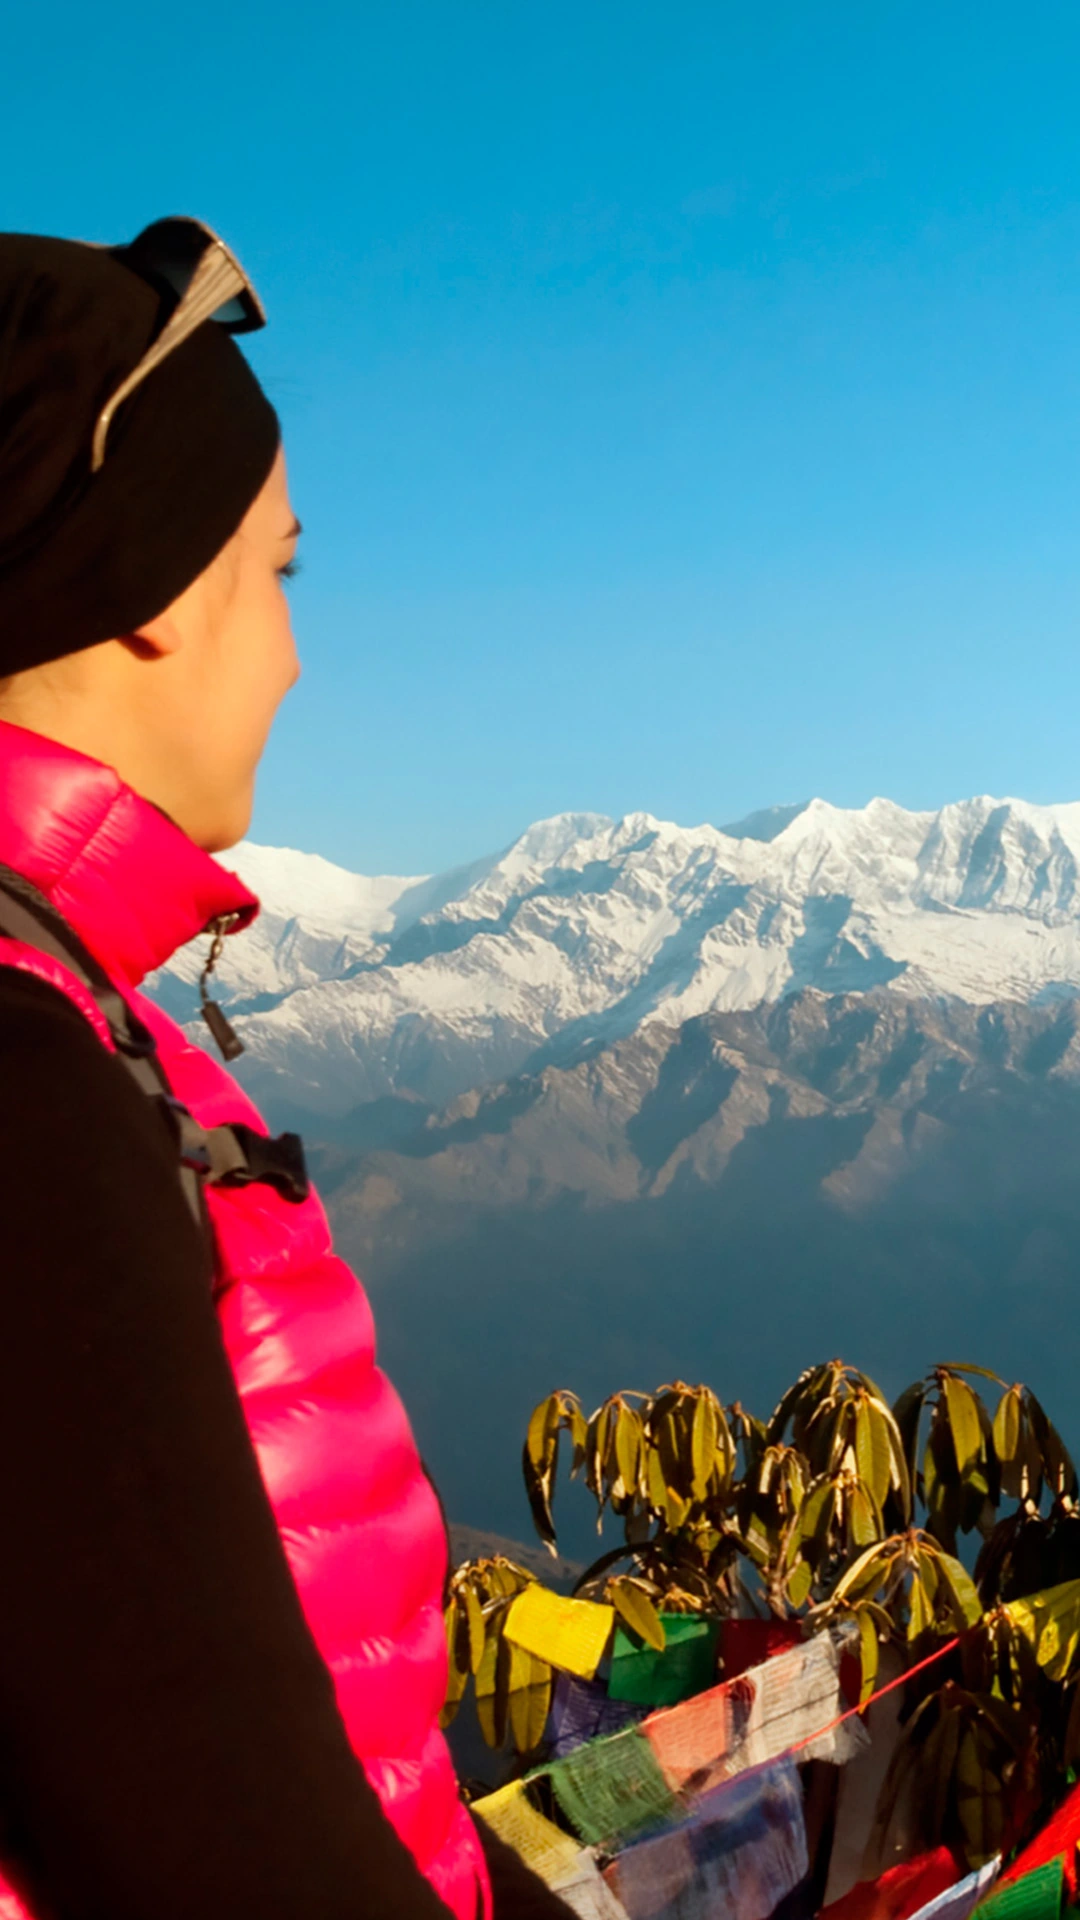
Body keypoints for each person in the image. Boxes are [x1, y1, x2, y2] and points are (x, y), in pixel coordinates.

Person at [0, 220, 572, 1919]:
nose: (298, 654)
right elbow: (210, 1830)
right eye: (281, 574)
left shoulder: (84, 1024)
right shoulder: (25, 1084)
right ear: (158, 591)